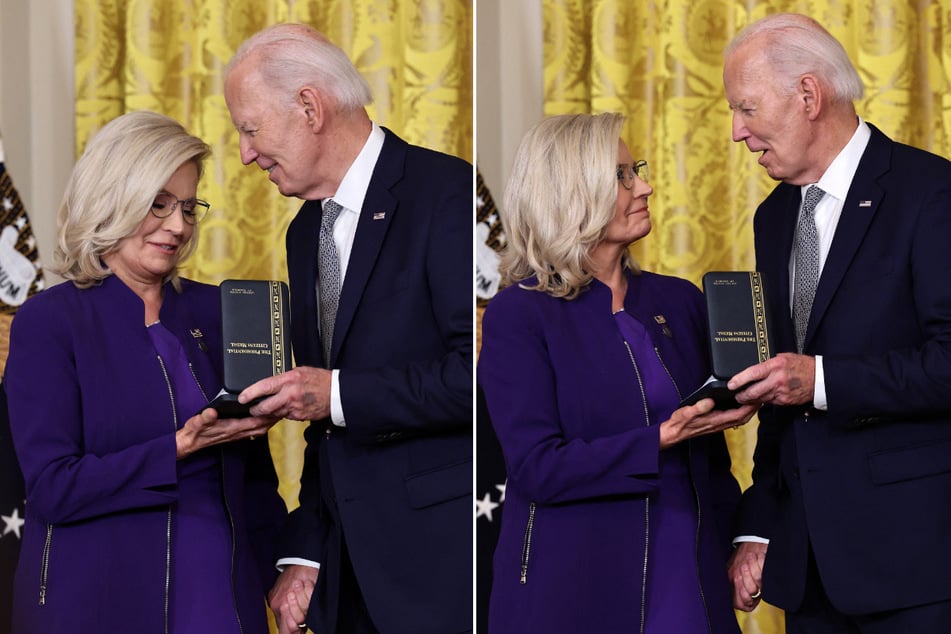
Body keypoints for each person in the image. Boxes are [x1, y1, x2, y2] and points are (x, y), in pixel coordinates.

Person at [223, 24, 472, 634]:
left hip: (439, 568)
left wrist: (335, 394)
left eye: (250, 130)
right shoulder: (304, 231)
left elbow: (477, 376)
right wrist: (306, 551)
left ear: (309, 106)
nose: (246, 155)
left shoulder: (448, 196)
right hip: (344, 577)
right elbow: (323, 427)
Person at [4, 111, 287, 634]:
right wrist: (178, 447)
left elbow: (255, 483)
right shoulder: (50, 321)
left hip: (220, 599)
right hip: (93, 603)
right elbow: (53, 488)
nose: (178, 226)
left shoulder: (223, 311)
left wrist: (284, 573)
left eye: (187, 207)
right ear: (112, 197)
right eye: (158, 204)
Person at [477, 112, 757, 633]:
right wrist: (659, 439)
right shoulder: (520, 313)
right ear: (570, 193)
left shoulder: (680, 301)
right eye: (623, 175)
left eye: (639, 170)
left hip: (688, 572)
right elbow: (538, 467)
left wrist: (745, 542)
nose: (644, 186)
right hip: (571, 586)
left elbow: (712, 460)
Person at [723, 13, 951, 633]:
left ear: (808, 94)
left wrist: (821, 381)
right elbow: (779, 388)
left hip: (915, 570)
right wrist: (759, 524)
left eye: (746, 109)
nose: (737, 133)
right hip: (808, 575)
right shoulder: (773, 218)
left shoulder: (931, 194)